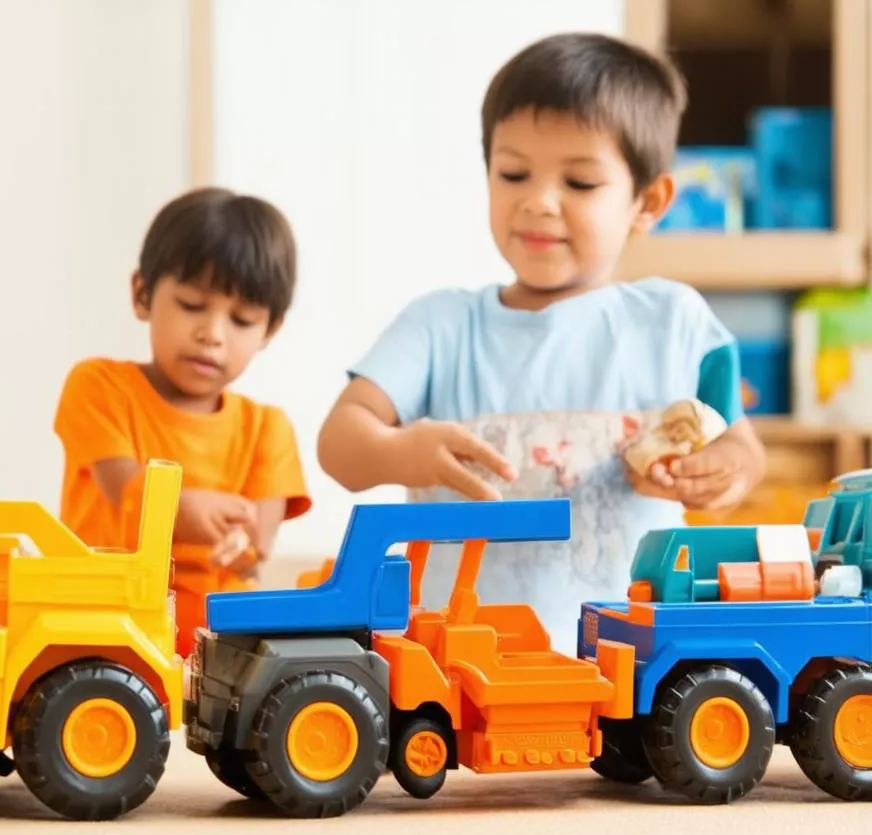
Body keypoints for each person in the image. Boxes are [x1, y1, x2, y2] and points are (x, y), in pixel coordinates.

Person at [317, 32, 765, 651]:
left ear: (648, 201)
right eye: (513, 173)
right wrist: (401, 452)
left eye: (579, 182)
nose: (539, 202)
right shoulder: (440, 325)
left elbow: (742, 449)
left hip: (628, 657)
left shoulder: (674, 322)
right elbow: (339, 443)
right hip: (454, 658)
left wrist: (721, 473)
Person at [54, 187, 311, 654]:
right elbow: (124, 490)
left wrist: (242, 546)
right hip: (104, 626)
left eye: (242, 319)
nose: (212, 334)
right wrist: (181, 510)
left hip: (215, 644)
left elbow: (257, 545)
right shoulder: (99, 386)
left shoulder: (267, 429)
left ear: (269, 329)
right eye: (192, 305)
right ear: (142, 294)